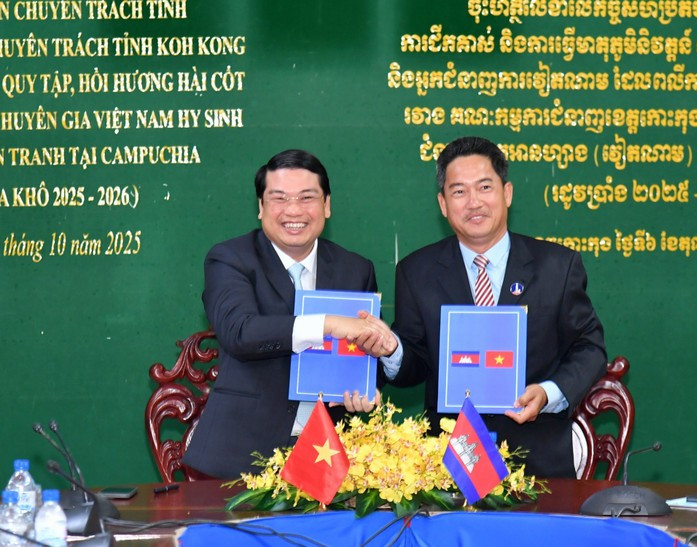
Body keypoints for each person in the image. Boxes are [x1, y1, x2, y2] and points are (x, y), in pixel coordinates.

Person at [379, 136, 607, 478]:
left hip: (538, 458)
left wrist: (547, 394)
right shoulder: (416, 271)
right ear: (443, 204)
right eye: (459, 192)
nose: (473, 203)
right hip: (448, 461)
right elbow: (416, 363)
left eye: (485, 187)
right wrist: (392, 349)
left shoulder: (557, 266)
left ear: (507, 193)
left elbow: (590, 348)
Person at [183, 149, 396, 479]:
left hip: (331, 458)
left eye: (307, 197)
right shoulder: (230, 259)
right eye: (279, 198)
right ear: (260, 207)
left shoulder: (355, 269)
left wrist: (365, 389)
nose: (293, 210)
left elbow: (363, 357)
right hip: (241, 459)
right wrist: (330, 324)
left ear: (326, 205)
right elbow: (240, 332)